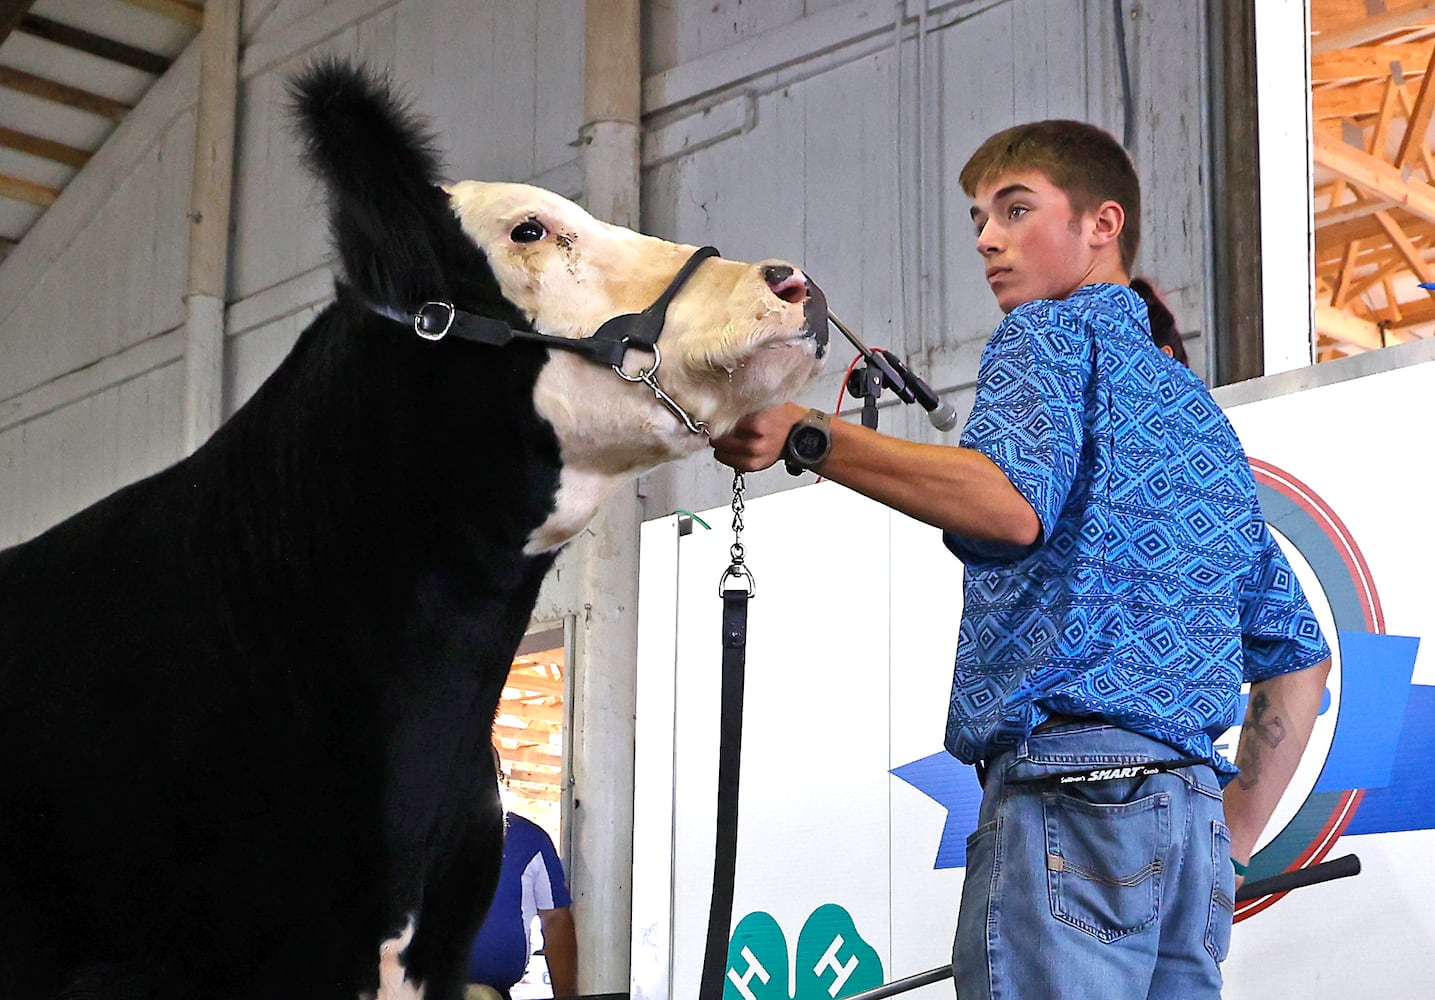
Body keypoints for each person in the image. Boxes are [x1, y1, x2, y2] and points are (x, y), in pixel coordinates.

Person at [711, 120, 1331, 999]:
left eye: (1014, 209)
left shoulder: (1045, 334)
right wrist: (1230, 835)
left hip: (1071, 802)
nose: (986, 239)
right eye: (977, 218)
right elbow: (1298, 656)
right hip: (1188, 837)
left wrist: (810, 436)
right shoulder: (1202, 424)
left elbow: (1008, 505)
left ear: (1100, 225)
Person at [467, 753, 578, 1000]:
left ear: (500, 779)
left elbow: (556, 918)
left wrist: (566, 994)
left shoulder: (529, 841)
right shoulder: (419, 841)